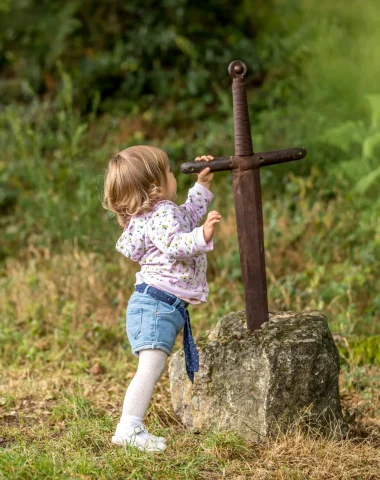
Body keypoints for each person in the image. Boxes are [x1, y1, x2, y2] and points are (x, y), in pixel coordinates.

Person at [102, 145, 221, 452]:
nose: (172, 175)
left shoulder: (158, 213)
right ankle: (128, 428)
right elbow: (175, 243)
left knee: (150, 366)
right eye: (168, 171)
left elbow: (186, 215)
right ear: (155, 186)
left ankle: (131, 426)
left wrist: (202, 185)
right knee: (150, 367)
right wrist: (202, 236)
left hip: (155, 304)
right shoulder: (161, 215)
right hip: (156, 306)